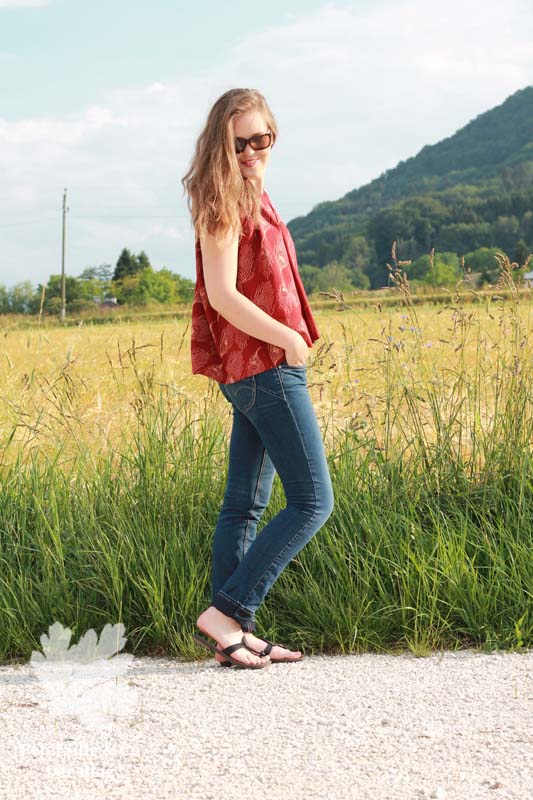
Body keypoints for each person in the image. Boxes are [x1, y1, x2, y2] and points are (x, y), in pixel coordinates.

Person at [181, 87, 335, 670]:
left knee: (244, 504)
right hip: (265, 367)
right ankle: (228, 611)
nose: (250, 152)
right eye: (238, 143)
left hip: (257, 369)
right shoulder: (222, 202)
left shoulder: (255, 196)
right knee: (313, 501)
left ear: (274, 136)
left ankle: (234, 635)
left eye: (259, 139)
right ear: (220, 145)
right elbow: (223, 295)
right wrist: (289, 339)